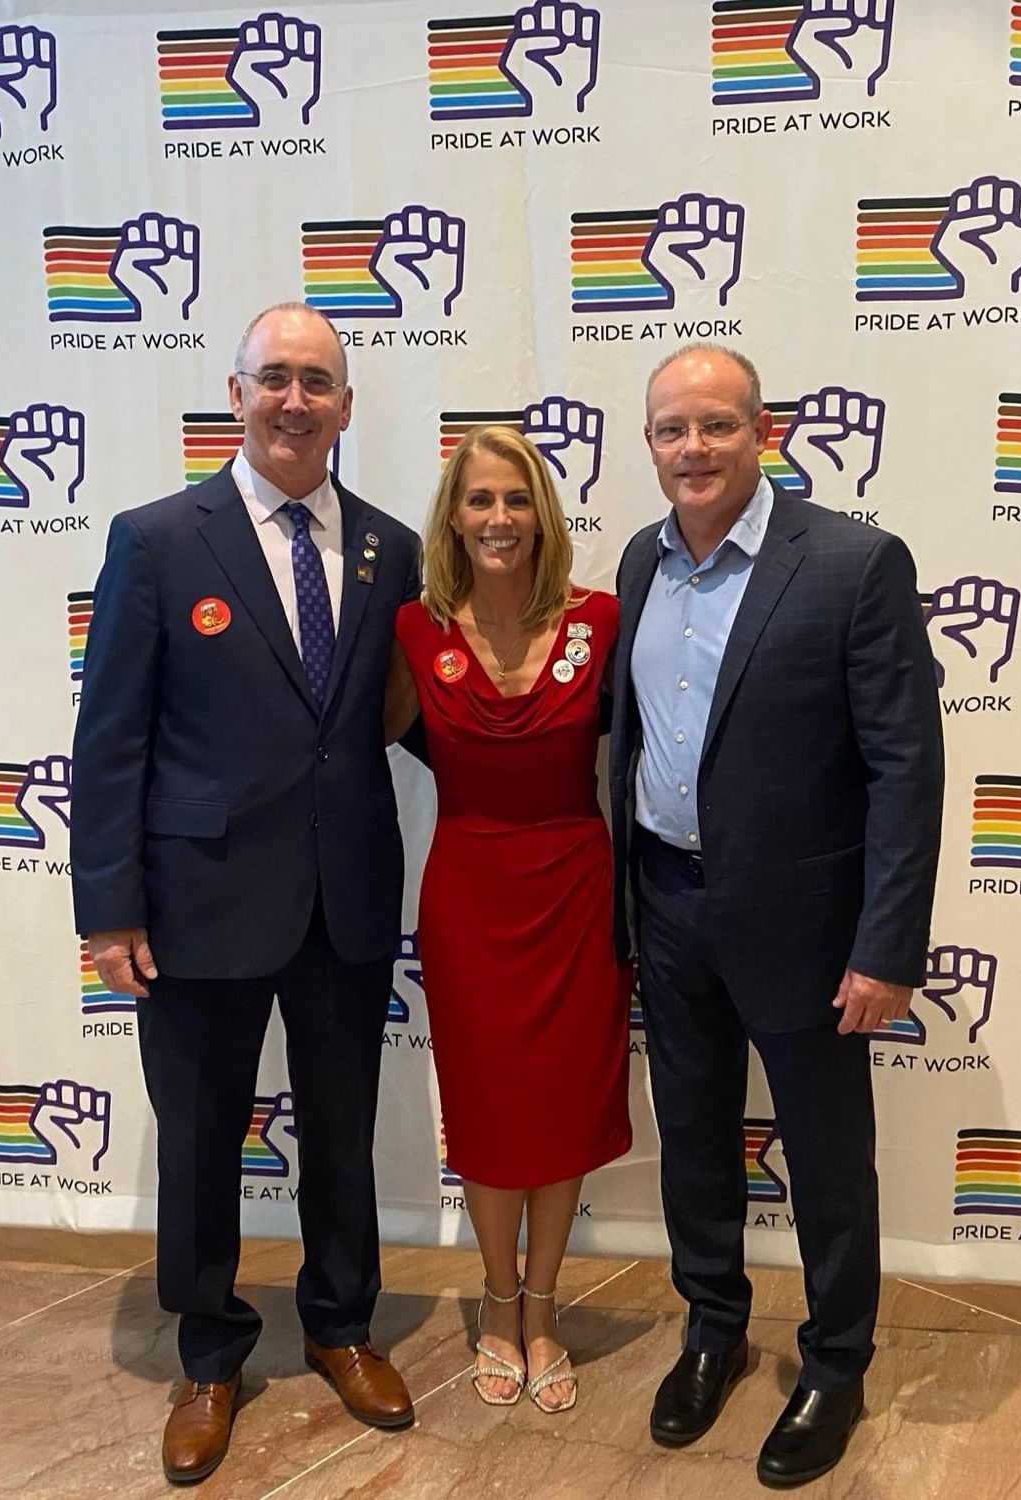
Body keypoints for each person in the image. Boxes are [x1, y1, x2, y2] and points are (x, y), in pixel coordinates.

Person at [73, 303, 422, 1487]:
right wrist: (108, 908)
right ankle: (211, 1354)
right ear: (234, 394)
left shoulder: (387, 548)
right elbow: (110, 737)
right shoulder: (158, 540)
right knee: (202, 1139)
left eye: (316, 382)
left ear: (345, 406)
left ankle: (338, 1326)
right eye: (272, 378)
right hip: (197, 900)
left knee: (338, 1133)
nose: (293, 401)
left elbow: (409, 720)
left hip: (346, 896)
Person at [609, 345, 944, 1488]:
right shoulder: (638, 565)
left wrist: (885, 944)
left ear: (763, 432)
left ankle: (835, 1362)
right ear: (648, 445)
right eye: (668, 430)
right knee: (693, 1140)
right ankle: (711, 1330)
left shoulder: (852, 564)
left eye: (713, 426)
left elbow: (906, 768)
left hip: (806, 926)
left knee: (827, 1157)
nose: (690, 449)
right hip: (666, 900)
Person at [384, 425, 632, 1414]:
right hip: (468, 894)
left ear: (543, 516)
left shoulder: (604, 621)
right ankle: (494, 1304)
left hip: (575, 888)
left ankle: (543, 1307)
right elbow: (348, 743)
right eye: (479, 499)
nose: (498, 519)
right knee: (489, 1113)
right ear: (453, 516)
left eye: (516, 499)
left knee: (561, 1109)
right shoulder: (411, 630)